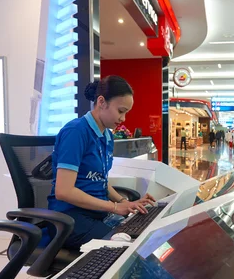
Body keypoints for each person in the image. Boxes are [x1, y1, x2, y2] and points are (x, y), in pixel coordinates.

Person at [48, 76, 156, 250]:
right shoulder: (76, 132)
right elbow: (63, 191)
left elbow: (99, 181)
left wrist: (123, 202)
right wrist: (114, 207)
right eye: (121, 111)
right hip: (70, 218)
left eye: (126, 113)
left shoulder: (106, 135)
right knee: (124, 247)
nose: (124, 119)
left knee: (139, 234)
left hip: (96, 214)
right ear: (101, 102)